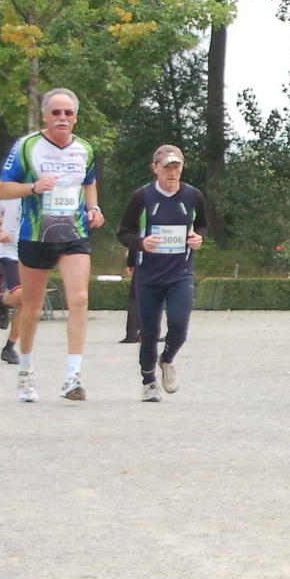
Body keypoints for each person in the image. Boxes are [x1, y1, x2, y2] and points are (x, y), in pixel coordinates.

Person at [0, 88, 104, 403]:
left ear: (76, 118)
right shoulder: (28, 146)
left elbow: (89, 182)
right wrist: (32, 187)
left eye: (68, 113)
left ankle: (73, 377)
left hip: (73, 233)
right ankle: (26, 372)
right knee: (32, 305)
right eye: (56, 113)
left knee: (80, 298)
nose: (62, 118)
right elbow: (2, 189)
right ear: (45, 116)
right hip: (35, 235)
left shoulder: (85, 148)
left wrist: (93, 208)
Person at [116, 145, 209, 402]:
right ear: (155, 168)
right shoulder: (142, 197)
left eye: (176, 167)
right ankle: (148, 380)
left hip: (180, 273)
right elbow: (124, 232)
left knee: (179, 325)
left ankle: (166, 359)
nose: (172, 173)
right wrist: (140, 243)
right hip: (148, 275)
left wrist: (198, 237)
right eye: (167, 167)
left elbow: (202, 224)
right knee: (149, 331)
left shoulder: (193, 196)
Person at [0, 192, 25, 363]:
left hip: (33, 250)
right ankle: (2, 300)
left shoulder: (44, 193)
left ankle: (9, 346)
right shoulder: (10, 192)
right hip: (10, 250)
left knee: (27, 302)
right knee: (21, 293)